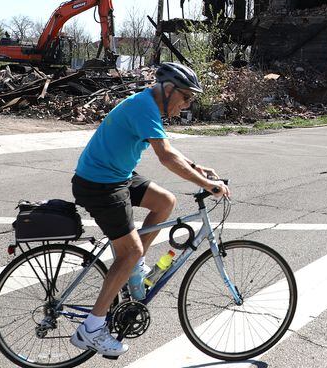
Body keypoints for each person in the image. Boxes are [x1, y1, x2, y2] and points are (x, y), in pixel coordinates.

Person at [69, 62, 230, 357]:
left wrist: (196, 167)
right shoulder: (144, 107)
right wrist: (209, 186)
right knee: (129, 252)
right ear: (168, 90)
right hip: (100, 184)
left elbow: (167, 147)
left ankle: (131, 268)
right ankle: (91, 329)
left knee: (164, 201)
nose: (186, 105)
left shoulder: (148, 105)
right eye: (186, 97)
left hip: (115, 176)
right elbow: (166, 157)